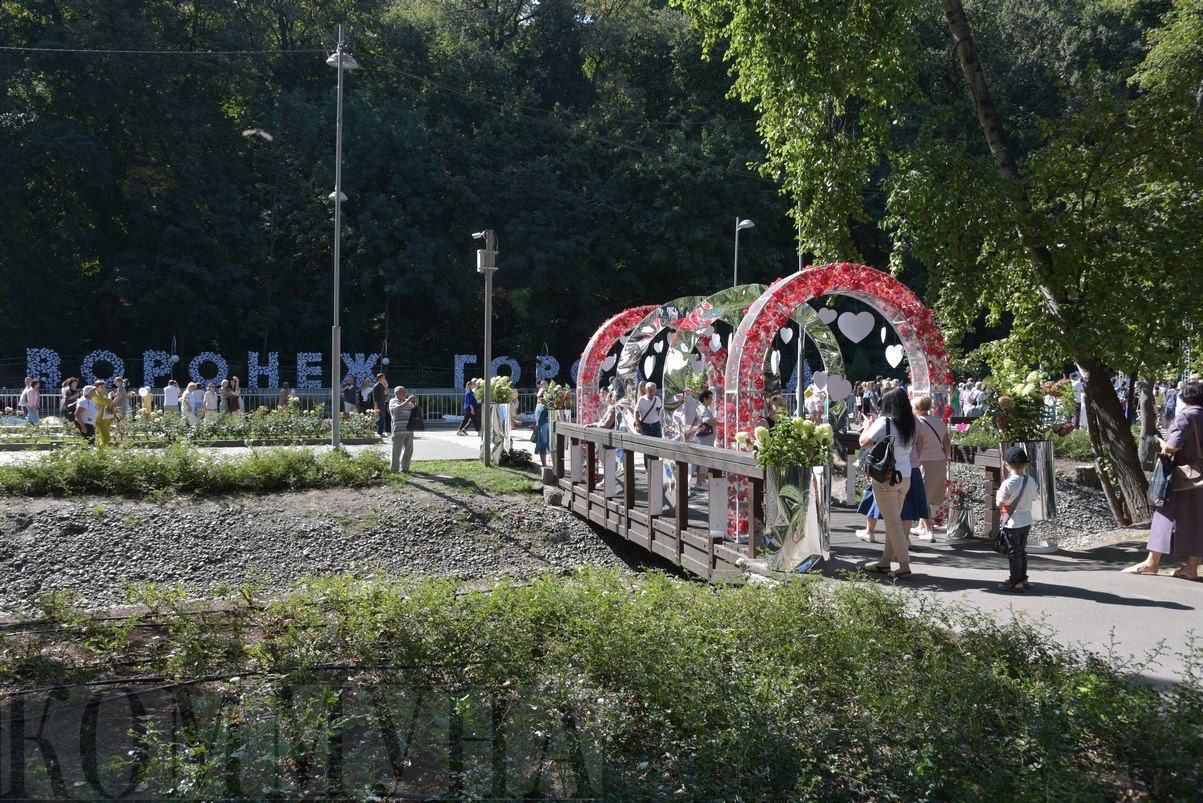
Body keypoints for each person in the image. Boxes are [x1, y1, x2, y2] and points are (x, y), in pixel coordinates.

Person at [1125, 380, 1202, 580]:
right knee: (1199, 520)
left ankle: (1151, 563)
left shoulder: (1187, 416)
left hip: (1185, 477)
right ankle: (1191, 568)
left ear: (1185, 397)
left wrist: (1161, 442)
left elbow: (1172, 447)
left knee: (1164, 514)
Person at [858, 388, 917, 579]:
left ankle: (904, 566)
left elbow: (863, 442)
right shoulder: (911, 423)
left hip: (886, 478)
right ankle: (885, 562)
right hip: (905, 477)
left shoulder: (884, 422)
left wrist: (867, 425)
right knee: (894, 522)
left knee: (893, 524)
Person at [996, 446, 1037, 591]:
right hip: (1027, 521)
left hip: (1012, 523)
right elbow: (1034, 498)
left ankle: (1016, 582)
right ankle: (1024, 579)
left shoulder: (1007, 484)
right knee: (1022, 551)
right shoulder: (1030, 480)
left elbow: (999, 504)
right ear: (1026, 464)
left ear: (1006, 464)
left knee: (1014, 553)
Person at [913, 395, 950, 539]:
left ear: (916, 407)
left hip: (924, 461)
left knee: (923, 497)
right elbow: (947, 442)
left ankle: (928, 531)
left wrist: (915, 460)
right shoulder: (938, 421)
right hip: (939, 460)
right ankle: (921, 526)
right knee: (931, 495)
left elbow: (919, 444)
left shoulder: (918, 423)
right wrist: (944, 457)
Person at [388, 386, 419, 473]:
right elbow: (397, 410)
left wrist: (416, 401)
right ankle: (394, 469)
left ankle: (405, 469)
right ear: (396, 393)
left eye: (404, 391)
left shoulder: (407, 402)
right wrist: (408, 400)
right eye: (402, 391)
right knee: (396, 452)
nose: (405, 393)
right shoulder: (393, 401)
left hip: (409, 430)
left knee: (408, 451)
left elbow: (415, 411)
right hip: (398, 431)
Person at [93, 381, 114, 445]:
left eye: (104, 387)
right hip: (100, 419)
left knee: (103, 438)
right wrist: (110, 396)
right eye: (101, 387)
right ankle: (101, 449)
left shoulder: (105, 394)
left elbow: (110, 405)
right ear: (96, 388)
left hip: (107, 418)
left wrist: (113, 415)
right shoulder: (95, 395)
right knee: (106, 438)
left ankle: (102, 449)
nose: (104, 388)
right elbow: (107, 402)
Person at [534, 391, 550, 467]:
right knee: (543, 445)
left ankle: (544, 464)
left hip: (540, 427)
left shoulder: (538, 406)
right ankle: (544, 464)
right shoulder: (544, 407)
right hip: (543, 428)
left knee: (542, 445)